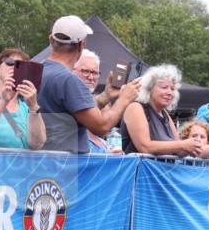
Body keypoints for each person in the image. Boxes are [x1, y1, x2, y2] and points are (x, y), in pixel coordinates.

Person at [37, 15, 140, 153]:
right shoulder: (69, 80)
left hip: (41, 164)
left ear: (51, 39)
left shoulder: (37, 70)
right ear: (82, 44)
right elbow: (101, 126)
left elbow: (73, 113)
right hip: (68, 168)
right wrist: (124, 99)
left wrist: (105, 96)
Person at [120, 64, 203, 157]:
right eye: (164, 87)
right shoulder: (136, 108)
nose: (170, 93)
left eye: (172, 89)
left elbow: (178, 150)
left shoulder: (165, 114)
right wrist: (183, 145)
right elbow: (144, 147)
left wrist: (195, 146)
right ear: (149, 88)